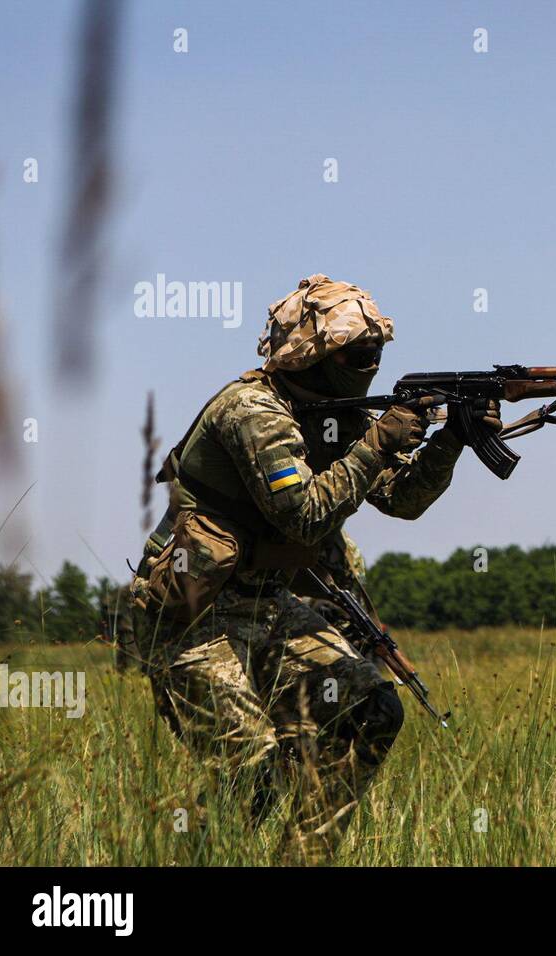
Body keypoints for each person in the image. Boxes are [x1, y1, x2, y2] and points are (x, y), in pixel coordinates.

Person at [129, 274, 499, 862]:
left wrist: (452, 437)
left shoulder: (339, 416)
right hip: (193, 619)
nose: (370, 365)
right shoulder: (251, 411)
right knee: (252, 780)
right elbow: (303, 516)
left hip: (270, 606)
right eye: (358, 354)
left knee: (372, 711)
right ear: (313, 355)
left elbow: (402, 500)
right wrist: (379, 441)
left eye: (375, 353)